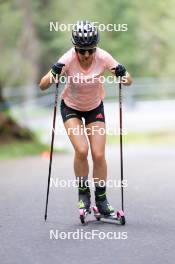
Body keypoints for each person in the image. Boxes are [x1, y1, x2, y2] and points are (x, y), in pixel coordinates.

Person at [39, 20, 132, 216]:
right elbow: (43, 85)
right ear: (75, 48)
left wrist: (123, 74)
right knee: (82, 149)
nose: (87, 55)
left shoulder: (103, 57)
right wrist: (54, 73)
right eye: (82, 51)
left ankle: (102, 199)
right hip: (70, 107)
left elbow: (128, 81)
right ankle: (83, 194)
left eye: (91, 50)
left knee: (98, 154)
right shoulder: (67, 59)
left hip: (94, 107)